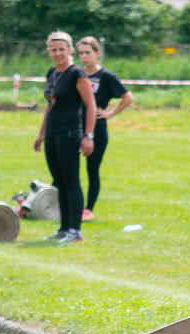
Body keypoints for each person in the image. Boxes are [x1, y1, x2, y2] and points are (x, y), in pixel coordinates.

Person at [34, 31, 96, 245]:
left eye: (62, 49)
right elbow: (50, 106)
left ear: (69, 50)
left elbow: (91, 105)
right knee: (59, 182)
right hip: (53, 133)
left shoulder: (77, 73)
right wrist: (41, 134)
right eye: (54, 49)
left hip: (70, 134)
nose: (58, 53)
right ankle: (63, 228)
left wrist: (88, 135)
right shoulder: (52, 73)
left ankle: (75, 231)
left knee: (71, 182)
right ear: (48, 51)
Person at [76, 36, 132, 222]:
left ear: (97, 53)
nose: (84, 57)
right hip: (75, 127)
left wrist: (110, 113)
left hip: (97, 130)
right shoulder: (77, 74)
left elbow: (127, 97)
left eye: (88, 53)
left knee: (92, 169)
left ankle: (88, 209)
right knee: (67, 168)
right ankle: (61, 204)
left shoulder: (107, 77)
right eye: (81, 53)